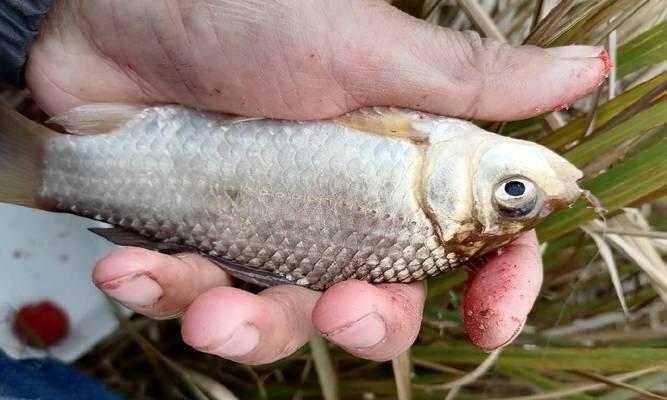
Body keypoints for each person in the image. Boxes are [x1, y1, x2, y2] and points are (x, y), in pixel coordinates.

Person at [2, 0, 607, 366]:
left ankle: (39, 168)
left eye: (514, 196)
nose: (523, 189)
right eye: (515, 194)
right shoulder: (426, 163)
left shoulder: (427, 146)